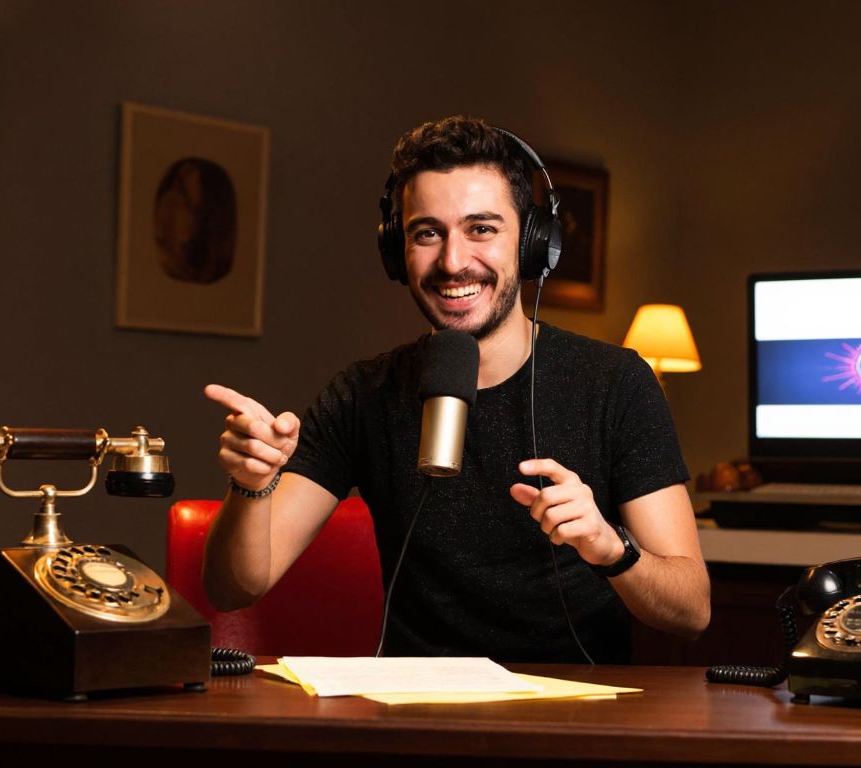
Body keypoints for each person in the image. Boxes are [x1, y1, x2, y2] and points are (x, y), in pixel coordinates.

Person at [204, 116, 708, 663]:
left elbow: (690, 612)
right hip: (419, 722)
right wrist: (250, 485)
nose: (452, 261)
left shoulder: (615, 383)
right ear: (397, 250)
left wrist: (610, 548)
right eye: (427, 233)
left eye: (482, 229)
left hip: (574, 720)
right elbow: (235, 589)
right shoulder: (363, 393)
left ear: (534, 243)